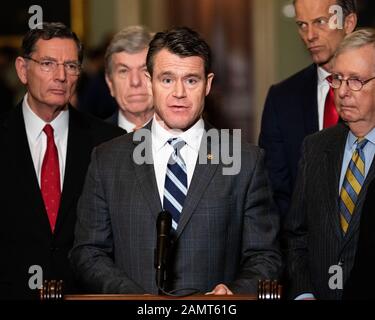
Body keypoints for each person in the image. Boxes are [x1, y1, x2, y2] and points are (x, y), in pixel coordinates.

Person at [70, 27, 282, 295]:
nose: (179, 92)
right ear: (149, 82)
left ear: (208, 84)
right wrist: (134, 298)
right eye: (167, 80)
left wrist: (234, 291)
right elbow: (88, 252)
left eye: (191, 80)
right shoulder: (107, 160)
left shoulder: (245, 160)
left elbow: (265, 255)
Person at [0, 22, 124, 300]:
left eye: (71, 66)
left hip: (87, 295)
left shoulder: (110, 142)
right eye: (47, 63)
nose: (60, 76)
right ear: (22, 69)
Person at [284, 28, 375, 300]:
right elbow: (296, 235)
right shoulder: (315, 147)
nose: (343, 92)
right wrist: (303, 293)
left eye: (356, 81)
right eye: (338, 79)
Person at [259, 0, 357, 218]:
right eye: (302, 25)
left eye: (320, 22)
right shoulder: (281, 99)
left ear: (348, 23)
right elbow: (274, 194)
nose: (309, 35)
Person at [105, 26, 154, 132]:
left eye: (145, 70)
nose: (135, 81)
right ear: (110, 83)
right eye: (124, 71)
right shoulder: (94, 143)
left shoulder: (184, 136)